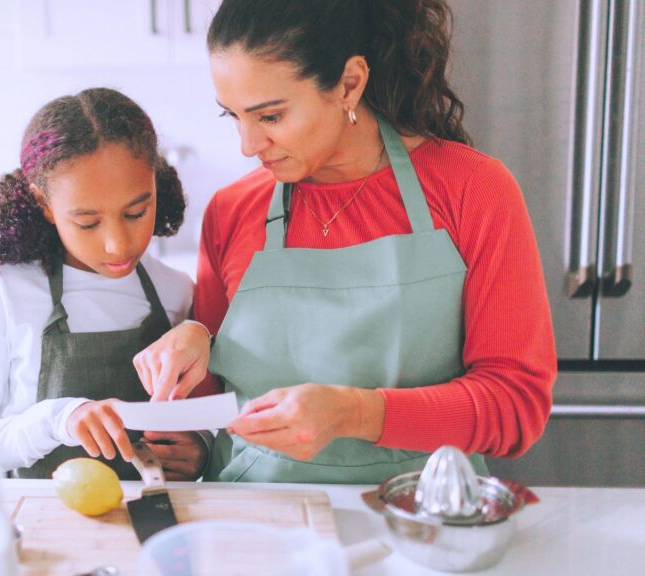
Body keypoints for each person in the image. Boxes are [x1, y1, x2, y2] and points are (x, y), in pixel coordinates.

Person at [133, 0, 557, 483]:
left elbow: (515, 405)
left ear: (349, 84)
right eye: (232, 115)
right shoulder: (232, 211)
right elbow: (215, 409)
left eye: (270, 117)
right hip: (258, 526)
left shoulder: (472, 190)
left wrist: (354, 413)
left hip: (417, 521)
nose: (247, 146)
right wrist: (196, 352)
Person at [0, 87, 206, 480]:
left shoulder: (176, 291)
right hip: (42, 523)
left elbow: (206, 417)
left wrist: (199, 449)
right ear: (44, 205)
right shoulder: (7, 289)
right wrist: (57, 420)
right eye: (88, 222)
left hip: (152, 520)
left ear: (155, 182)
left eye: (136, 211)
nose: (117, 243)